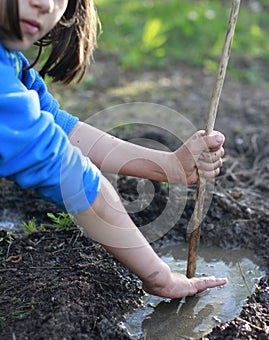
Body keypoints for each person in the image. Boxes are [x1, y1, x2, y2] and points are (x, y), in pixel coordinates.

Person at [0, 0, 227, 298]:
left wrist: (170, 166)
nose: (43, 3)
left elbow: (57, 127)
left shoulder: (10, 62)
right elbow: (69, 174)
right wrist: (159, 276)